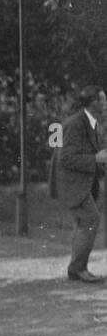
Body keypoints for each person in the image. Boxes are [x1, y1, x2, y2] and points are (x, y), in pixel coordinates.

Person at [52, 86, 107, 283]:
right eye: (103, 100)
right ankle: (77, 268)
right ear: (93, 103)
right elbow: (65, 158)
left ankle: (78, 268)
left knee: (87, 222)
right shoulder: (76, 124)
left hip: (80, 185)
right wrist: (96, 159)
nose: (106, 104)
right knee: (91, 219)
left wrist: (98, 159)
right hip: (73, 185)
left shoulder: (87, 122)